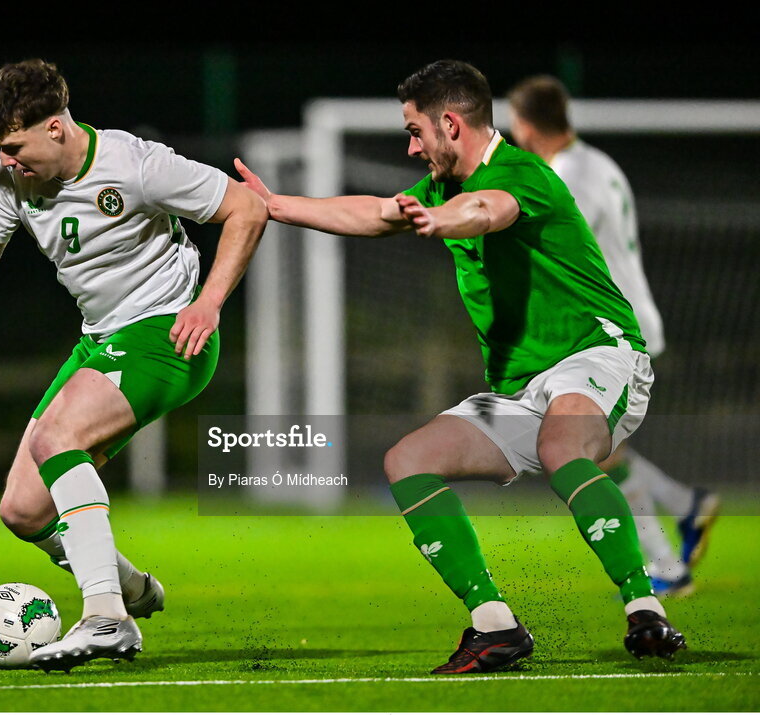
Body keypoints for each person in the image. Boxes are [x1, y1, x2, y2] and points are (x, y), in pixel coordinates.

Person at [235, 59, 685, 674]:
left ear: (451, 123)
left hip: (599, 352)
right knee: (408, 461)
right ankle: (494, 625)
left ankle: (645, 606)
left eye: (416, 131)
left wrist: (440, 220)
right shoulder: (441, 189)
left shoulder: (522, 173)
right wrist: (279, 205)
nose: (411, 145)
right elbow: (375, 212)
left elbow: (488, 210)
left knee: (562, 447)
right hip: (522, 386)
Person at [0, 59, 267, 671]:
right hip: (99, 342)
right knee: (22, 510)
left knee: (56, 437)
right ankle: (129, 587)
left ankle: (105, 618)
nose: (6, 161)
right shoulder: (6, 185)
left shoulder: (135, 164)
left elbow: (247, 210)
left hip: (167, 333)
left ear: (55, 127)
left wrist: (208, 303)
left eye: (14, 146)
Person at [508, 75, 720, 596]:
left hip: (611, 327)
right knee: (598, 449)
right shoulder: (598, 163)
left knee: (586, 450)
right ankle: (684, 511)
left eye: (514, 123)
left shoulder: (568, 175)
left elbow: (561, 252)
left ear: (528, 124)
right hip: (627, 318)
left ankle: (669, 563)